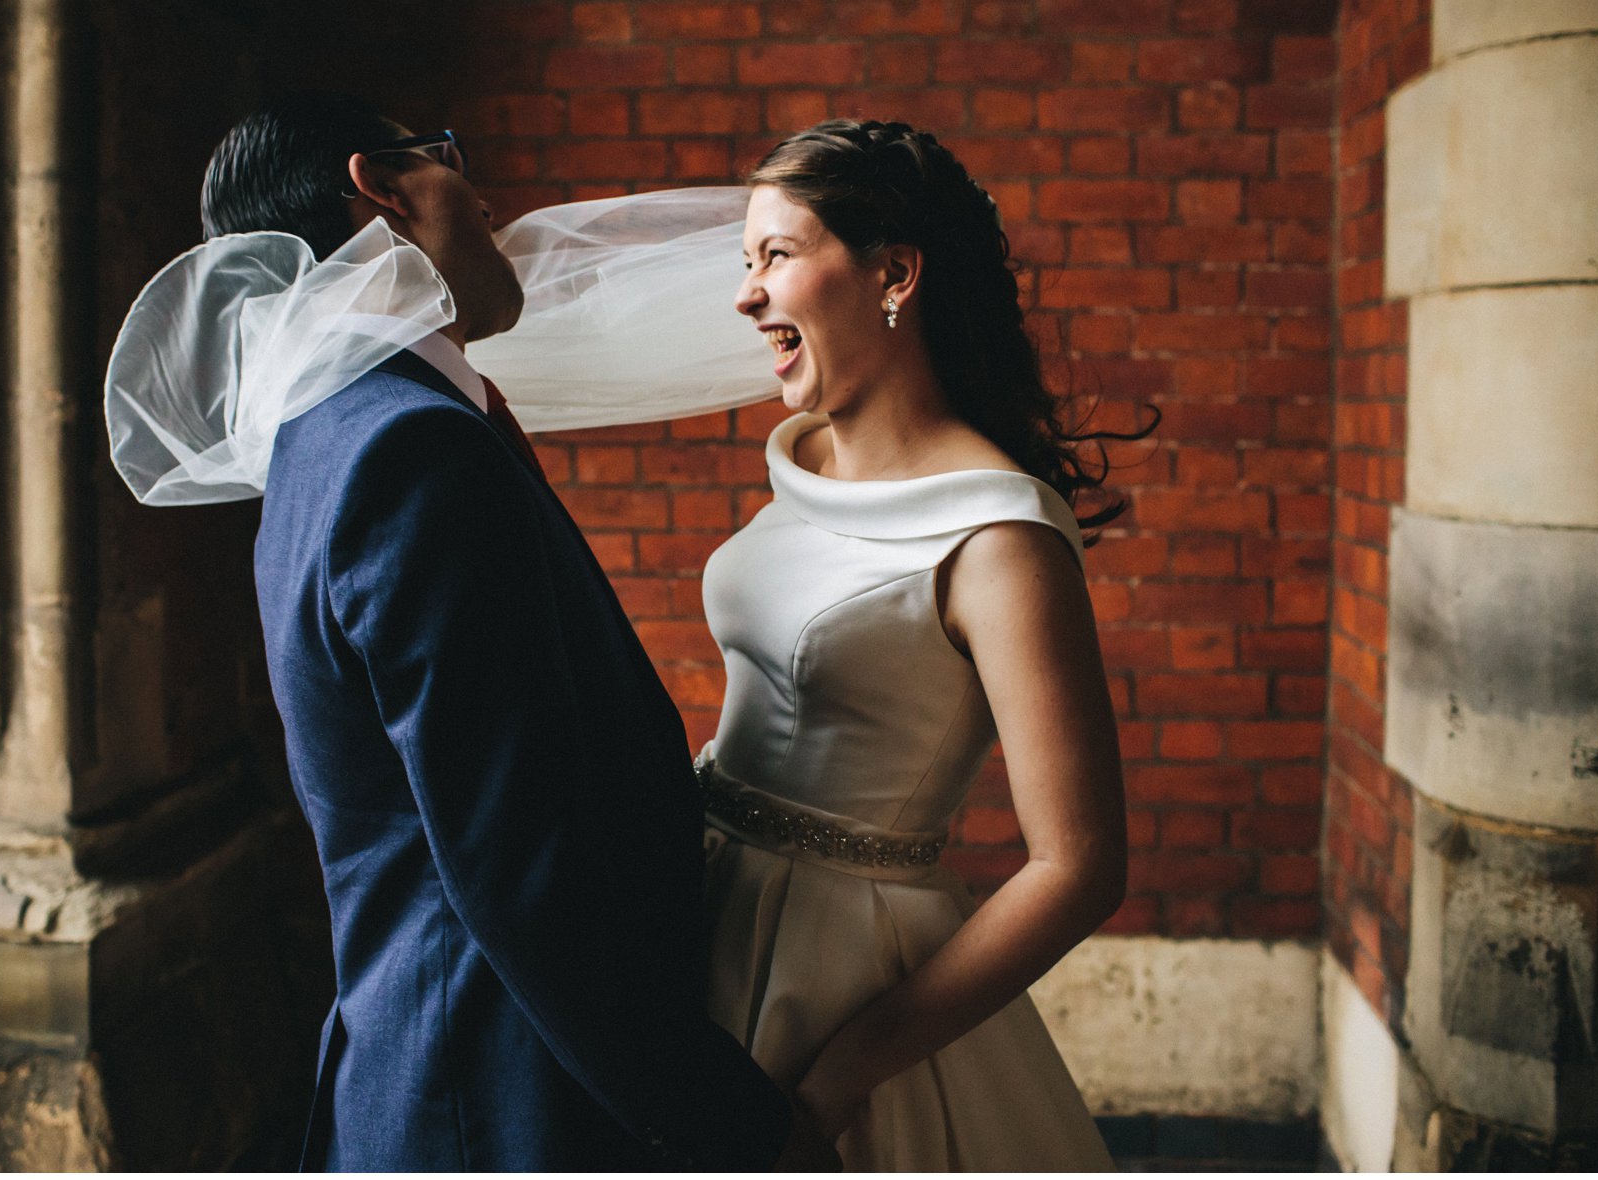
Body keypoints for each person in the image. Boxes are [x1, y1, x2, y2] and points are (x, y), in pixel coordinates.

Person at [191, 95, 834, 1171]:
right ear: (383, 192)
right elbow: (512, 852)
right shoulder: (411, 450)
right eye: (450, 163)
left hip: (431, 1052)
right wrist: (713, 1115)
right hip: (502, 1093)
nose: (485, 199)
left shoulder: (323, 431)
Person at [696, 119, 1138, 1170]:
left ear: (892, 273)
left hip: (839, 982)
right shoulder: (802, 467)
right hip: (700, 912)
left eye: (776, 258)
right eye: (743, 263)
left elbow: (1079, 866)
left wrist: (846, 1070)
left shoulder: (997, 537)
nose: (745, 296)